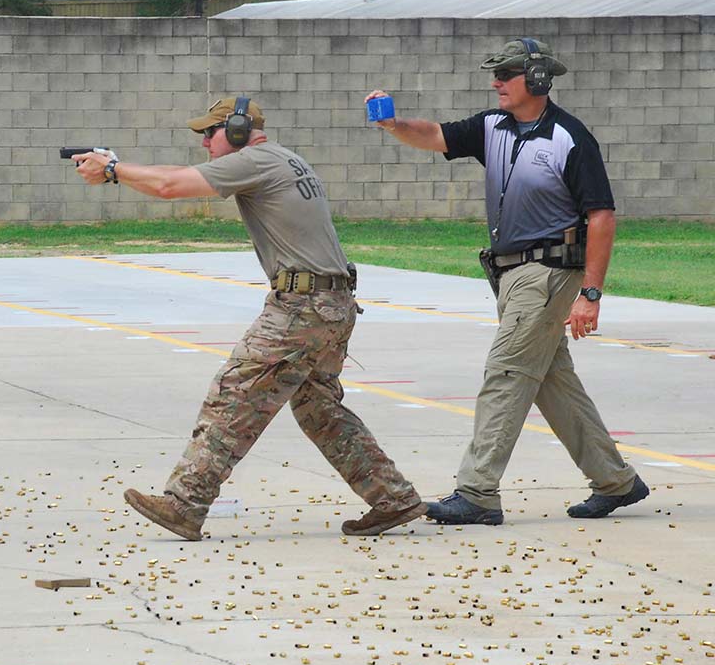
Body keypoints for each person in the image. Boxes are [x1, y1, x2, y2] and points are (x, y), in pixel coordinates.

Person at [72, 96, 427, 539]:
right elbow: (169, 182)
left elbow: (170, 186)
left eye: (210, 133)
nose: (204, 143)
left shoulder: (255, 160)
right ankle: (392, 496)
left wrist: (112, 169)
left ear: (238, 130)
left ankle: (186, 502)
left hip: (302, 307)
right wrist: (116, 172)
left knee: (234, 394)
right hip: (330, 304)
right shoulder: (282, 158)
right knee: (319, 409)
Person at [365, 39, 649, 525]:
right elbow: (435, 134)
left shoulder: (569, 137)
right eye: (496, 73)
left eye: (507, 73)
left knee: (506, 372)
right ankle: (615, 480)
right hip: (512, 275)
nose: (496, 81)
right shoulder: (492, 126)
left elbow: (601, 216)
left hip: (551, 272)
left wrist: (591, 294)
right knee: (551, 381)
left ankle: (477, 492)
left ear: (536, 79)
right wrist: (394, 124)